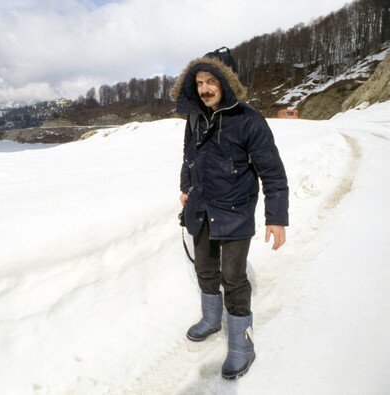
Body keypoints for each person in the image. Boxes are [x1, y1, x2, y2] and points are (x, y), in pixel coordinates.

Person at [170, 47, 289, 379]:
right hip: (201, 206)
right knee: (206, 269)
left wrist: (276, 217)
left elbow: (273, 173)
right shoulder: (195, 118)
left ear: (226, 82)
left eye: (211, 81)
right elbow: (188, 156)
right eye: (199, 82)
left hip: (235, 211)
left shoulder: (249, 120)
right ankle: (211, 319)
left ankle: (242, 344)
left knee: (233, 278)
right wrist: (186, 186)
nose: (205, 88)